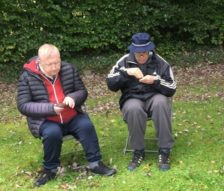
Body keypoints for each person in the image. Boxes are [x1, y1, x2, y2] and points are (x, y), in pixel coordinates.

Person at [17, 44, 116, 187]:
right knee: (52, 133)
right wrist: (50, 108)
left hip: (72, 115)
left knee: (86, 125)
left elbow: (82, 91)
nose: (55, 67)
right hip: (46, 120)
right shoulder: (27, 76)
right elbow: (23, 105)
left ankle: (95, 163)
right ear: (40, 62)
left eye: (57, 62)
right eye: (50, 64)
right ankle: (50, 169)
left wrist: (74, 97)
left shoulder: (69, 69)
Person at [106, 32, 176, 171]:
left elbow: (172, 88)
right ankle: (138, 151)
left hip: (154, 96)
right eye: (138, 53)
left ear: (150, 50)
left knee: (161, 103)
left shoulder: (160, 62)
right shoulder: (124, 61)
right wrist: (126, 73)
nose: (141, 56)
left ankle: (164, 151)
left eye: (144, 52)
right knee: (133, 108)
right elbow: (110, 83)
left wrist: (156, 81)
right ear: (133, 51)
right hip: (132, 98)